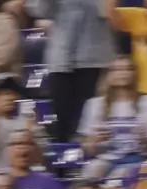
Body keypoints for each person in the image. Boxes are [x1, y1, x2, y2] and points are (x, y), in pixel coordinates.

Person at [27, 0, 113, 142]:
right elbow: (38, 10)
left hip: (94, 58)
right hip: (60, 59)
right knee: (62, 124)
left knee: (88, 124)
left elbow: (106, 11)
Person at [77, 57, 147, 181]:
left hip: (140, 159)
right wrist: (94, 140)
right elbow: (87, 149)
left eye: (128, 69)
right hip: (105, 159)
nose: (123, 73)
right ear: (108, 75)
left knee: (119, 178)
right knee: (89, 178)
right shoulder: (94, 104)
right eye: (117, 69)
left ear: (135, 74)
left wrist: (146, 140)